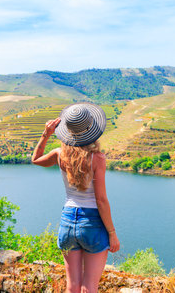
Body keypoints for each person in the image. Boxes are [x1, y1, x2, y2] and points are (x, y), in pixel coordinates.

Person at [31, 103, 120, 293]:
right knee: (89, 287)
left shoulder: (59, 154)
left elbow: (35, 159)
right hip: (92, 224)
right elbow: (101, 200)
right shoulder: (97, 159)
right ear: (92, 129)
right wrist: (112, 233)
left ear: (67, 131)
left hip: (68, 221)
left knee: (72, 286)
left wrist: (45, 134)